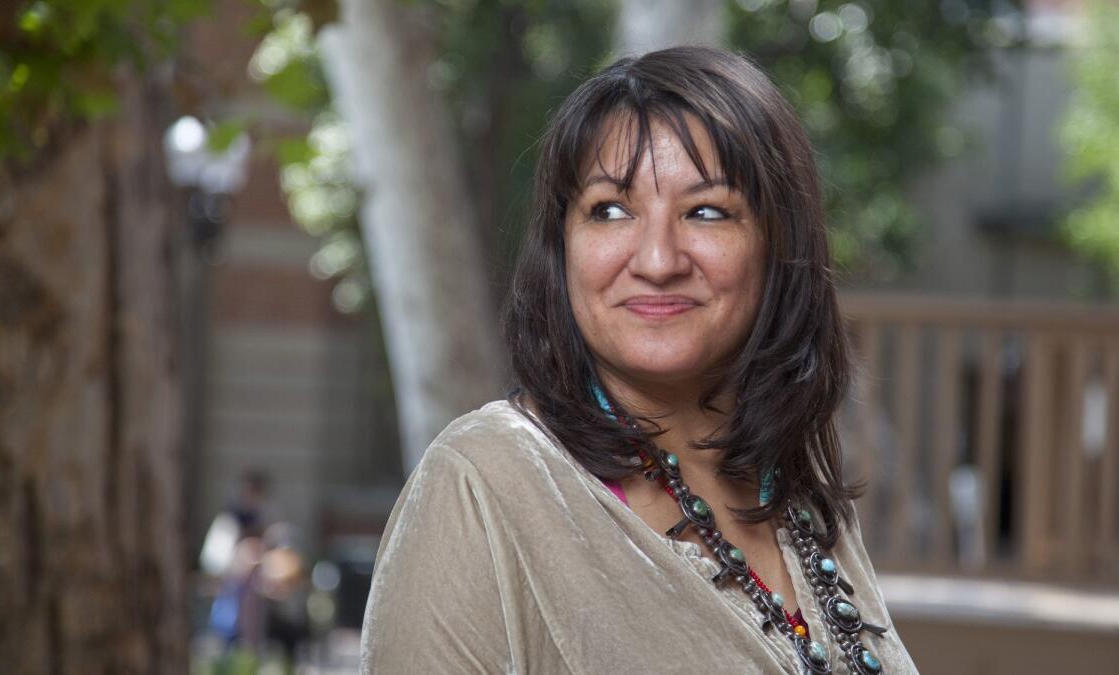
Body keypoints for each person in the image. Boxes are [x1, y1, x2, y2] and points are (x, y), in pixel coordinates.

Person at [360, 46, 919, 674]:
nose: (658, 260)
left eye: (706, 212)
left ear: (777, 246)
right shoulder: (484, 483)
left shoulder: (799, 497)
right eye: (611, 210)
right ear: (561, 246)